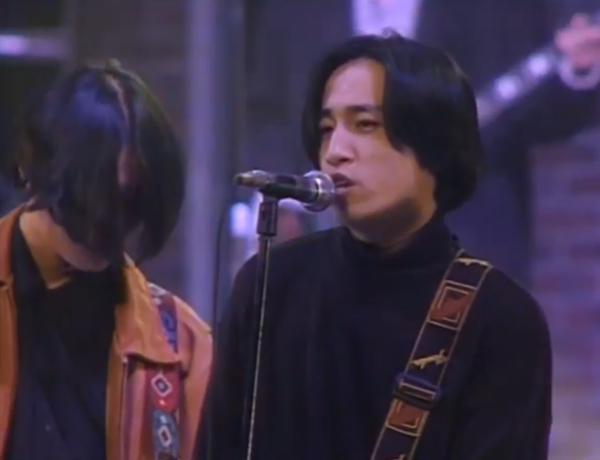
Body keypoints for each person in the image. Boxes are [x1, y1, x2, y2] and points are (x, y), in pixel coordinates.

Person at [197, 34, 552, 460]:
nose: (335, 152)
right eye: (327, 129)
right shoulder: (270, 283)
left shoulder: (500, 317)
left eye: (365, 125)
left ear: (434, 144)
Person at [0, 61, 212, 460]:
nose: (111, 225)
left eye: (130, 202)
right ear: (36, 170)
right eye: (94, 198)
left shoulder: (183, 348)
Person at [353, 0, 600, 286]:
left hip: (471, 250)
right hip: (345, 259)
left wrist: (575, 67)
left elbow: (542, 113)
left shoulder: (494, 10)